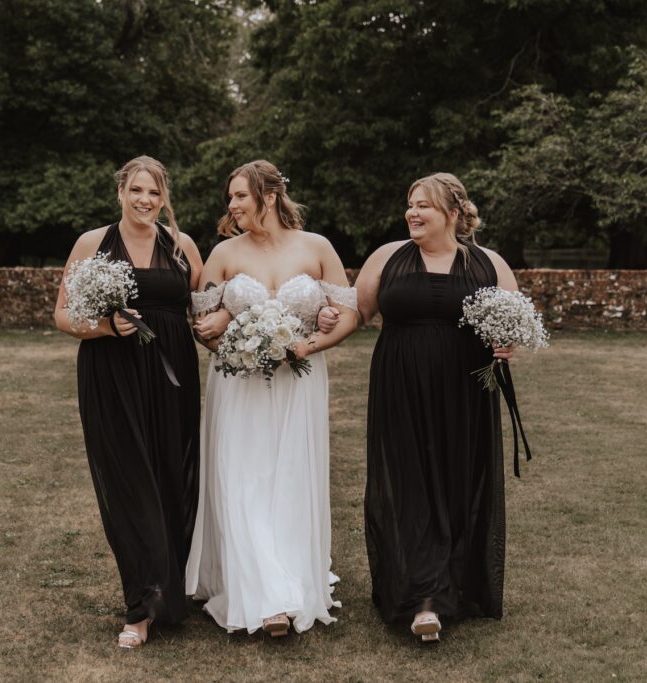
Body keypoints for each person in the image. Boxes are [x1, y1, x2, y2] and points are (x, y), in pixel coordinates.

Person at [185, 160, 359, 637]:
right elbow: (201, 324)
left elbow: (349, 313)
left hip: (299, 381)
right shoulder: (223, 253)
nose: (232, 205)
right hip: (239, 384)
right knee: (242, 478)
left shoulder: (316, 247)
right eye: (231, 198)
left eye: (240, 196)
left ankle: (292, 583)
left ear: (267, 196)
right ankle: (264, 598)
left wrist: (311, 343)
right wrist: (226, 336)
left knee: (291, 477)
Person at [353, 172, 517, 643]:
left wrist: (508, 345)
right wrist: (325, 318)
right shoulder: (388, 257)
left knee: (457, 482)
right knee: (409, 484)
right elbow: (355, 310)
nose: (413, 212)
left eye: (424, 204)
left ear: (452, 213)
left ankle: (456, 585)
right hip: (400, 388)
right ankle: (424, 598)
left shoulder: (489, 264)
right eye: (409, 203)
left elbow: (516, 321)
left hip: (466, 392)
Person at [53, 156, 204, 649]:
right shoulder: (92, 244)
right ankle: (140, 606)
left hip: (173, 374)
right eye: (137, 190)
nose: (145, 201)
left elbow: (205, 306)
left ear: (164, 198)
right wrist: (104, 327)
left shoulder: (181, 247)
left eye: (155, 193)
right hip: (111, 373)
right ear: (120, 191)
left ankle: (170, 590)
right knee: (129, 483)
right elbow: (61, 316)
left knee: (170, 477)